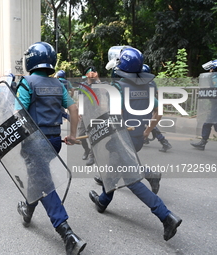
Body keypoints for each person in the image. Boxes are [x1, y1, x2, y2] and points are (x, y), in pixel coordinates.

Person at [89, 47, 182, 241]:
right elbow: (160, 111)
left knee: (132, 181)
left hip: (122, 141)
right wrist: (147, 131)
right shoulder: (147, 86)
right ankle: (103, 201)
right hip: (138, 139)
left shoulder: (119, 87)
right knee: (113, 171)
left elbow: (116, 117)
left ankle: (166, 216)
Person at [16, 42, 86, 255]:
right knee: (38, 176)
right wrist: (72, 135)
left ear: (31, 60)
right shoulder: (59, 86)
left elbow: (19, 113)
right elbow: (74, 110)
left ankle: (67, 233)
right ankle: (27, 211)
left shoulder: (27, 83)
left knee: (44, 183)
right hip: (54, 140)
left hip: (35, 141)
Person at [142, 64, 172, 152]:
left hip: (145, 106)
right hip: (152, 105)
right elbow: (158, 92)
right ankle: (144, 139)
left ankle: (164, 141)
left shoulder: (142, 83)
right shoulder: (152, 82)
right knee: (146, 122)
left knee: (149, 123)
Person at [190, 62, 217, 150]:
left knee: (209, 123)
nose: (210, 71)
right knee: (210, 123)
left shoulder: (214, 78)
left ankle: (203, 143)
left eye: (211, 69)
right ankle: (203, 142)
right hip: (214, 105)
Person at [78, 66, 100, 166]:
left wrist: (97, 80)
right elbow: (80, 98)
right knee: (81, 135)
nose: (93, 74)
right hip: (84, 113)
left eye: (94, 72)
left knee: (93, 135)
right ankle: (86, 150)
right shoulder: (82, 85)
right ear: (87, 74)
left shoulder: (98, 85)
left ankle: (92, 155)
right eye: (91, 72)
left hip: (95, 113)